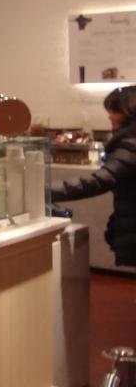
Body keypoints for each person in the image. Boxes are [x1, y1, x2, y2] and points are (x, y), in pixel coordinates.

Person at [52, 85, 136, 266]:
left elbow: (100, 181)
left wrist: (45, 190)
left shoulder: (130, 143)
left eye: (114, 111)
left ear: (129, 112)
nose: (109, 116)